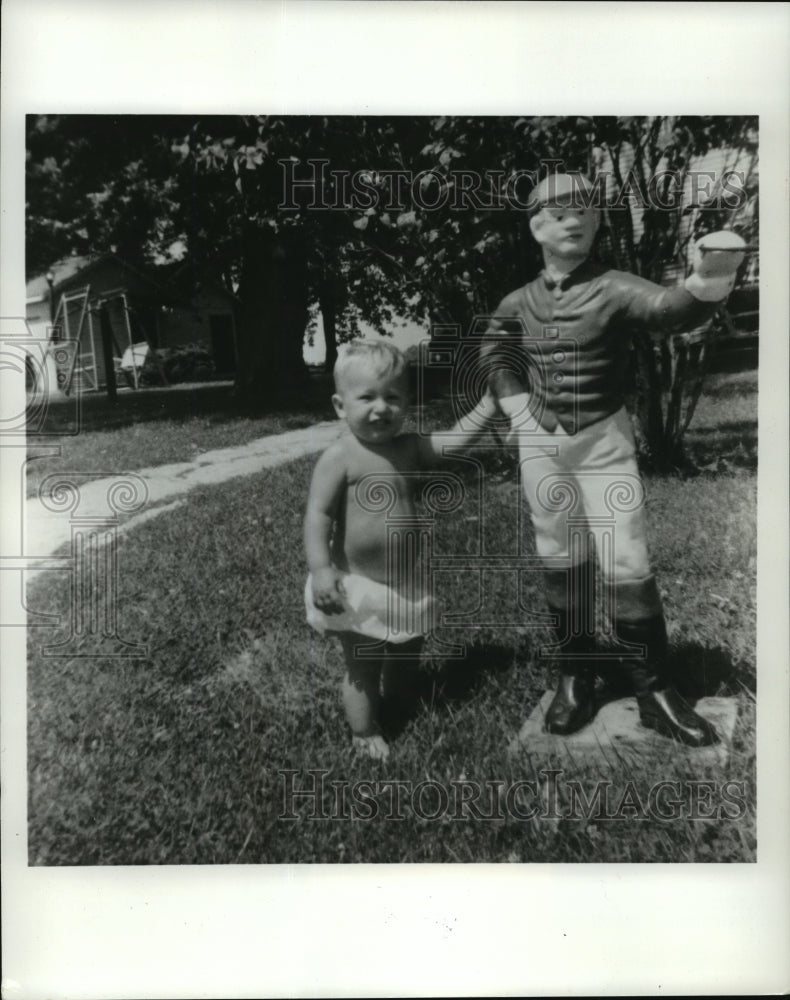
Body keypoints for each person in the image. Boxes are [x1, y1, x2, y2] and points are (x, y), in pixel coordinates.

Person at [481, 171, 745, 747]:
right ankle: (576, 674)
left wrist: (709, 276)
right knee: (559, 553)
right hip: (541, 446)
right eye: (556, 212)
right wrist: (517, 404)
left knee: (625, 557)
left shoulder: (613, 285)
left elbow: (670, 310)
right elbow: (494, 348)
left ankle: (653, 688)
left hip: (602, 440)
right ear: (535, 228)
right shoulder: (518, 300)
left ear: (598, 221)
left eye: (583, 209)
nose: (571, 219)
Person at [304, 340, 498, 760]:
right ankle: (364, 730)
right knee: (363, 665)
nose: (382, 408)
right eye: (367, 397)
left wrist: (488, 404)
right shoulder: (340, 457)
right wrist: (321, 570)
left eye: (393, 397)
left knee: (407, 648)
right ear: (340, 406)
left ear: (407, 402)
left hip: (405, 581)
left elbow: (455, 442)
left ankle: (401, 701)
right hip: (357, 583)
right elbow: (318, 516)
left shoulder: (409, 447)